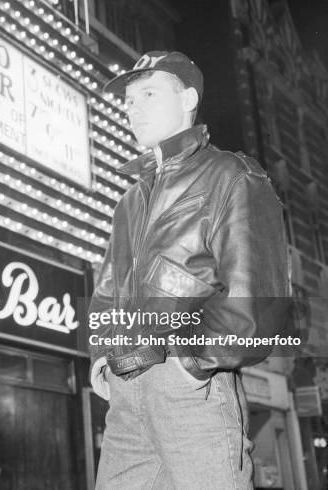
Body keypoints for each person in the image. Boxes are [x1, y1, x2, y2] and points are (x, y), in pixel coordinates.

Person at [89, 51, 289, 489]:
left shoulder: (233, 176)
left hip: (193, 390)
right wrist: (102, 355)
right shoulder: (130, 201)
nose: (132, 107)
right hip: (125, 395)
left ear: (188, 99)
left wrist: (190, 363)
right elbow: (108, 290)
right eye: (128, 99)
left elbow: (258, 303)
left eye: (148, 93)